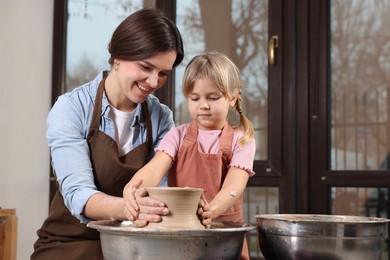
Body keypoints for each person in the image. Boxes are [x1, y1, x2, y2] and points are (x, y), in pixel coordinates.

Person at [31, 8, 184, 259]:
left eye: (163, 73)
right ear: (118, 57)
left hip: (134, 245)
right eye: (146, 67)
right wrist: (129, 208)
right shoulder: (71, 108)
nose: (154, 81)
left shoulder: (161, 117)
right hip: (69, 243)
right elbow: (78, 193)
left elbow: (162, 190)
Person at [124, 51, 256, 259]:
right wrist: (133, 186)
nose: (203, 105)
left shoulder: (241, 140)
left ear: (232, 97)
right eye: (194, 98)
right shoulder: (178, 135)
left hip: (225, 236)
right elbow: (154, 168)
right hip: (181, 235)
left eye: (213, 98)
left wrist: (210, 210)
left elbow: (234, 186)